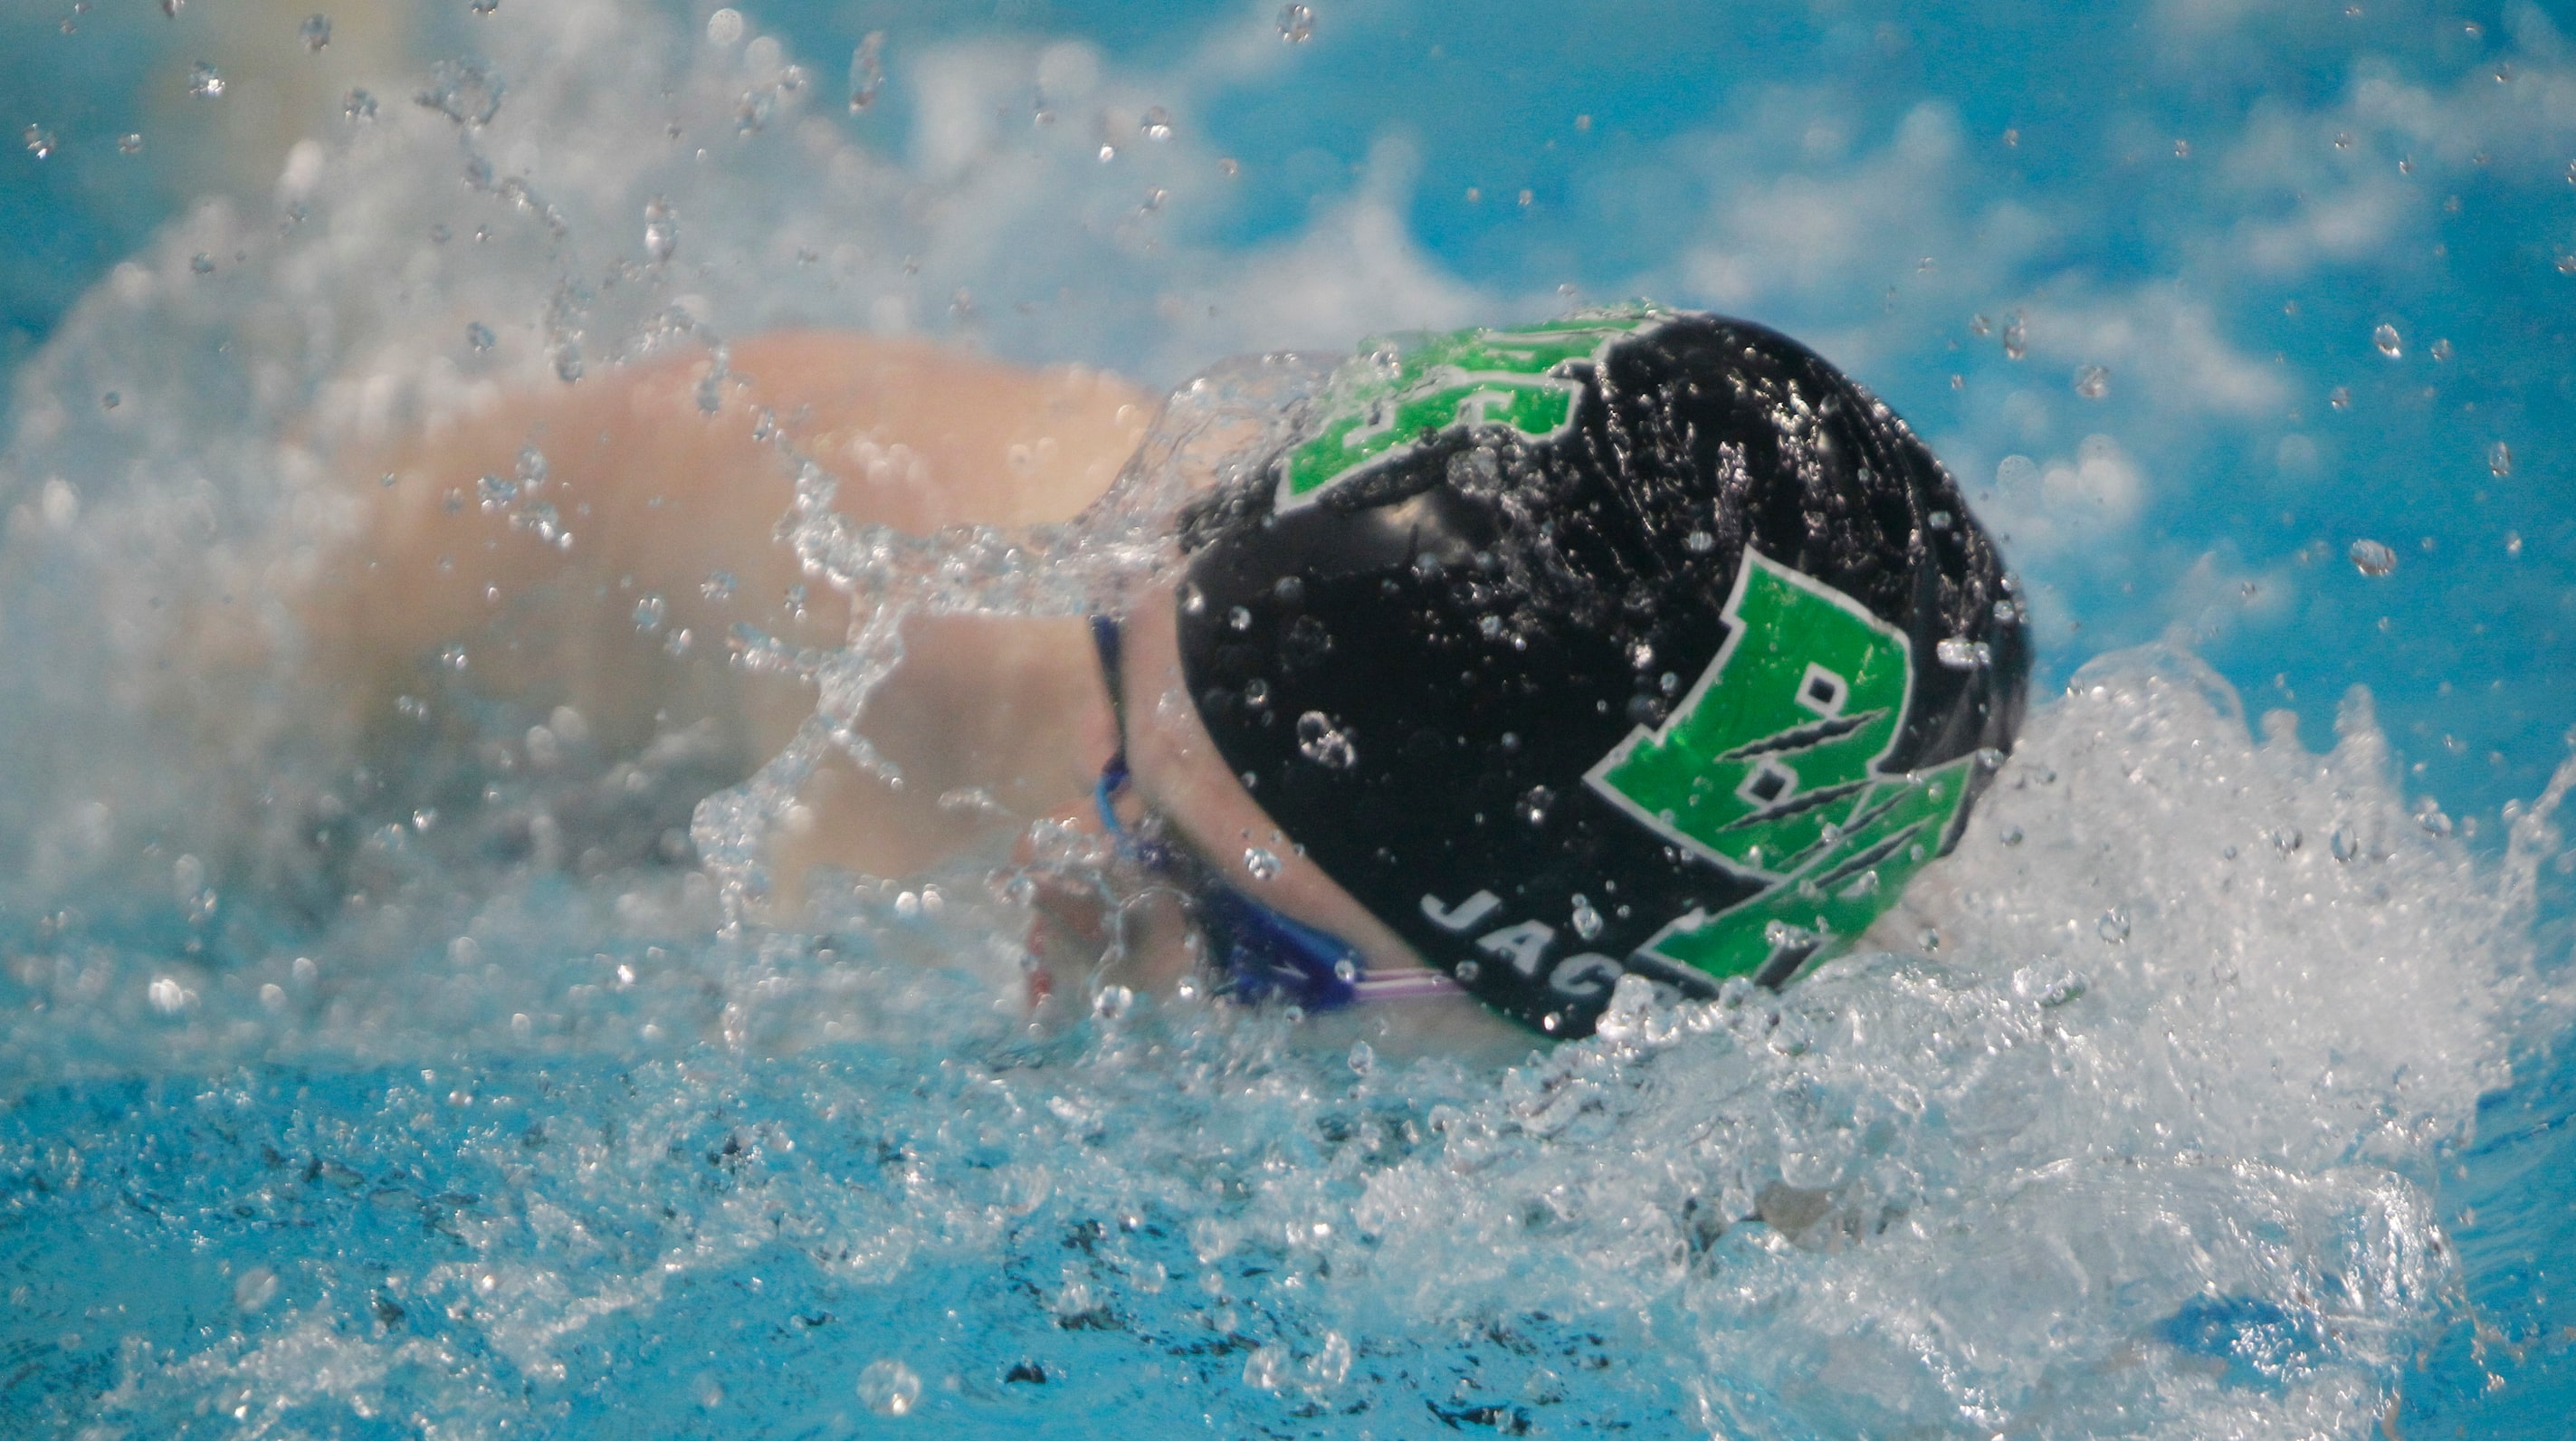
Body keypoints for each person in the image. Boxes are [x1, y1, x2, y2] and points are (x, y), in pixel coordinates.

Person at [285, 306, 2027, 1042]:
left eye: (1244, 935)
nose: (1058, 873)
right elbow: (310, 626)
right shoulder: (909, 577)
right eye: (1128, 689)